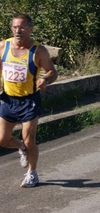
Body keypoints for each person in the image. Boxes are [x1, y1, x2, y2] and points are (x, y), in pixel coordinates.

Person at [0, 13, 58, 188]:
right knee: (2, 140)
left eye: (23, 27)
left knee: (29, 138)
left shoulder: (38, 51)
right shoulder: (3, 46)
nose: (19, 30)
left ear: (30, 29)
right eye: (16, 27)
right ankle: (20, 147)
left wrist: (45, 80)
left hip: (29, 101)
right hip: (8, 99)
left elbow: (52, 71)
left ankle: (32, 173)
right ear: (11, 28)